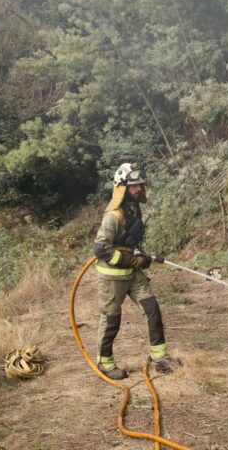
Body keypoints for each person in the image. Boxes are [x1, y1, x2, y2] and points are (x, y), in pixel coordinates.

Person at [92, 162, 181, 379]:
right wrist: (129, 260)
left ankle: (160, 358)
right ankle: (105, 362)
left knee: (152, 310)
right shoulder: (113, 216)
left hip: (133, 276)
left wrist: (141, 257)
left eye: (140, 184)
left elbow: (132, 242)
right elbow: (100, 249)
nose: (139, 188)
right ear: (122, 187)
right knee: (112, 319)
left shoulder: (133, 208)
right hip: (112, 278)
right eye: (134, 185)